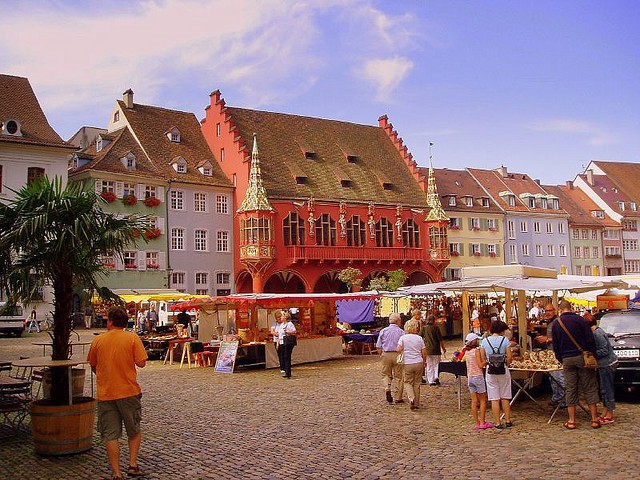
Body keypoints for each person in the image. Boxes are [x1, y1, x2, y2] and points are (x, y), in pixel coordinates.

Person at [87, 307, 148, 480]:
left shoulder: (98, 340)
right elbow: (141, 362)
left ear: (111, 321)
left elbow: (92, 364)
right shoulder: (132, 338)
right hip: (129, 391)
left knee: (110, 434)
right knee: (134, 430)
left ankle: (116, 473)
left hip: (106, 393)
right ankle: (132, 465)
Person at [552, 299, 601, 430]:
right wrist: (592, 355)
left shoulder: (557, 323)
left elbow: (555, 346)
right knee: (589, 386)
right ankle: (595, 419)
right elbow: (590, 340)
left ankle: (572, 420)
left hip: (567, 359)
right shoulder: (580, 320)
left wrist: (561, 359)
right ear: (571, 308)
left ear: (560, 310)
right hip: (582, 357)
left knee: (570, 389)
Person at [478, 320, 514, 429]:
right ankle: (507, 420)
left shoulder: (485, 341)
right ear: (502, 330)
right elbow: (509, 357)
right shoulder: (505, 340)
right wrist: (505, 364)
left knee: (494, 397)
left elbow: (483, 357)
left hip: (490, 370)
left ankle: (497, 422)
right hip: (503, 369)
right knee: (505, 396)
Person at [590, 317, 617, 425]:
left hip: (607, 364)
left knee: (607, 389)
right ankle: (606, 411)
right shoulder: (598, 331)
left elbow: (604, 350)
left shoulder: (597, 334)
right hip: (605, 364)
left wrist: (592, 354)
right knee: (604, 389)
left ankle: (610, 414)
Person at [396, 319, 426, 411]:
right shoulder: (419, 338)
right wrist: (424, 362)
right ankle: (416, 403)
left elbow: (398, 349)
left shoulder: (403, 338)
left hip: (408, 362)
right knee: (417, 383)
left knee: (408, 382)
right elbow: (424, 351)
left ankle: (411, 397)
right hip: (418, 362)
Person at [375, 313, 405, 404]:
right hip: (397, 355)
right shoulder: (401, 332)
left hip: (386, 354)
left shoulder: (383, 331)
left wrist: (382, 355)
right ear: (398, 321)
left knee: (386, 374)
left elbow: (378, 346)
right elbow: (403, 345)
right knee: (399, 376)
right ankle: (398, 397)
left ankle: (387, 387)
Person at [464, 333, 492, 430]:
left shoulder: (466, 352)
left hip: (470, 377)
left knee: (474, 401)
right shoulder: (476, 351)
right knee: (483, 400)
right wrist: (486, 361)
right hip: (478, 377)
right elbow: (480, 365)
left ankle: (477, 422)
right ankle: (483, 422)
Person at [420, 314, 446, 386]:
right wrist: (443, 348)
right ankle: (436, 377)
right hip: (436, 349)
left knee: (429, 365)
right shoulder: (436, 328)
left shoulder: (424, 328)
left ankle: (431, 380)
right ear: (434, 321)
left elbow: (419, 337)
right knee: (436, 364)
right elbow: (440, 340)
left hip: (427, 349)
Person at [275, 310, 296, 378]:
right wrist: (278, 343)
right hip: (282, 342)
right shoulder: (281, 325)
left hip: (288, 342)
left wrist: (287, 332)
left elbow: (294, 331)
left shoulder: (289, 324)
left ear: (285, 317)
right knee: (284, 356)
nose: (281, 317)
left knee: (287, 356)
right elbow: (279, 335)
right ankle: (285, 370)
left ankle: (288, 372)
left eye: (282, 316)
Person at [271, 310, 285, 374]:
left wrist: (280, 334)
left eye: (280, 317)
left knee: (284, 354)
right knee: (280, 354)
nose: (279, 318)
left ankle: (285, 366)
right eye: (278, 317)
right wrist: (277, 334)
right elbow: (272, 331)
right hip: (276, 340)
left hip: (283, 340)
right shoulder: (274, 324)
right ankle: (282, 367)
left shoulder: (284, 323)